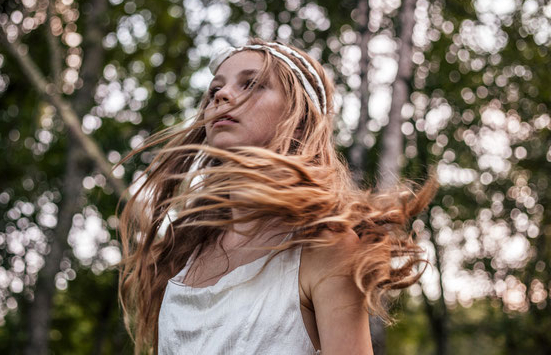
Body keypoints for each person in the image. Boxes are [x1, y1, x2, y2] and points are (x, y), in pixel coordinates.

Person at [118, 38, 437, 354]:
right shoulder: (180, 252)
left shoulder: (326, 249)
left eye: (252, 84)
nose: (222, 95)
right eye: (215, 89)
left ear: (299, 121)